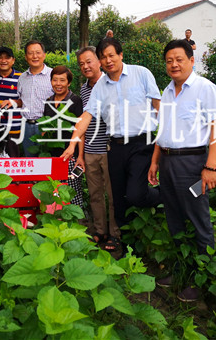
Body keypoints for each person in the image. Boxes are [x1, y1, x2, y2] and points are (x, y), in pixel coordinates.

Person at [148, 39, 216, 302]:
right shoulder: (168, 91)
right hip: (168, 162)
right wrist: (155, 161)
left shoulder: (205, 89)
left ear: (192, 60)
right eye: (169, 60)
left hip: (192, 164)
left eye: (179, 59)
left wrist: (211, 166)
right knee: (174, 219)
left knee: (198, 219)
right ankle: (182, 268)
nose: (174, 64)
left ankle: (203, 279)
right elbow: (163, 131)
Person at [60, 37, 162, 231]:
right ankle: (122, 238)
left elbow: (158, 106)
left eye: (111, 55)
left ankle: (163, 195)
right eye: (103, 57)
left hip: (141, 143)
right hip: (115, 146)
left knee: (135, 194)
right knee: (118, 196)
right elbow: (86, 116)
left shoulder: (141, 73)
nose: (108, 61)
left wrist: (166, 136)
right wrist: (72, 144)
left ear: (120, 55)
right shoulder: (100, 86)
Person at [75, 46, 121, 251]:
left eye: (89, 61)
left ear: (99, 61)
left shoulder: (111, 83)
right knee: (95, 194)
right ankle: (100, 230)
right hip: (90, 150)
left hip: (109, 149)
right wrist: (80, 154)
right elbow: (83, 123)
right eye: (81, 64)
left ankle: (115, 234)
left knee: (112, 194)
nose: (85, 66)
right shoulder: (84, 89)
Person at [42, 66, 84, 207]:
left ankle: (77, 215)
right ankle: (56, 214)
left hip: (70, 154)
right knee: (54, 189)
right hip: (52, 155)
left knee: (72, 189)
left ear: (69, 83)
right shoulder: (48, 101)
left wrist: (80, 156)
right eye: (55, 80)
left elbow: (80, 130)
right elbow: (45, 127)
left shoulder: (75, 101)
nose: (58, 84)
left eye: (62, 80)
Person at [17, 40, 53, 157]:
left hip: (46, 125)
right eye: (30, 53)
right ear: (26, 57)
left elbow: (60, 100)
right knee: (30, 162)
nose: (34, 56)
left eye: (38, 52)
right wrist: (12, 102)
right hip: (27, 126)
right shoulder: (22, 78)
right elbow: (22, 100)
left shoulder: (53, 75)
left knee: (46, 161)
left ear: (44, 55)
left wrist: (49, 126)